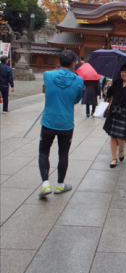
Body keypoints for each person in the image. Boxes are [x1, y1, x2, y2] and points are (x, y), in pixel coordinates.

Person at [38, 50, 84, 197]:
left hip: (48, 121)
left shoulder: (48, 75)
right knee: (63, 154)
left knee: (44, 152)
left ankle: (45, 184)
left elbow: (46, 90)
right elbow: (77, 99)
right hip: (66, 123)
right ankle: (59, 185)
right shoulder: (78, 80)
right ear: (73, 63)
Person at [103, 64, 126, 167]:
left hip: (125, 114)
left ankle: (121, 150)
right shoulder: (116, 83)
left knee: (121, 137)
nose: (124, 74)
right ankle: (114, 158)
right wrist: (109, 86)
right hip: (114, 112)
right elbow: (108, 95)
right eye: (122, 71)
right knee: (113, 136)